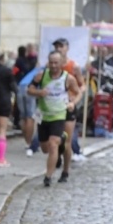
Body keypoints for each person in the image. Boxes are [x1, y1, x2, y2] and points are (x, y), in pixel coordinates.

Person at [27, 51, 80, 186]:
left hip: (61, 114)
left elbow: (78, 92)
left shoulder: (68, 78)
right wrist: (39, 92)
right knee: (45, 148)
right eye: (51, 62)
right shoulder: (41, 75)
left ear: (62, 63)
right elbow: (29, 90)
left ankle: (51, 176)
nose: (54, 65)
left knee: (55, 144)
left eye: (56, 63)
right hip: (44, 114)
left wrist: (73, 103)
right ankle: (59, 143)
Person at [52, 37, 85, 165]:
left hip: (68, 105)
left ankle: (65, 159)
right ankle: (57, 154)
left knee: (67, 136)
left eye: (61, 46)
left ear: (67, 48)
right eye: (56, 46)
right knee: (54, 135)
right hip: (53, 104)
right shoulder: (51, 65)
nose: (58, 49)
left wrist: (75, 96)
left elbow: (82, 85)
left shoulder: (74, 66)